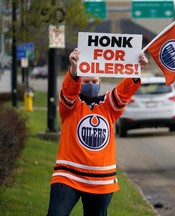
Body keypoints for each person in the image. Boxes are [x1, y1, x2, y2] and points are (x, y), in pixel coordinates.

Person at [47, 48, 148, 216]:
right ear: (79, 82)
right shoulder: (70, 106)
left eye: (94, 81)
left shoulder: (108, 106)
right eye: (86, 82)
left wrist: (136, 70)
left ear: (100, 81)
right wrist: (74, 68)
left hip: (101, 180)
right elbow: (69, 91)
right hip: (68, 176)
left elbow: (123, 93)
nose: (91, 85)